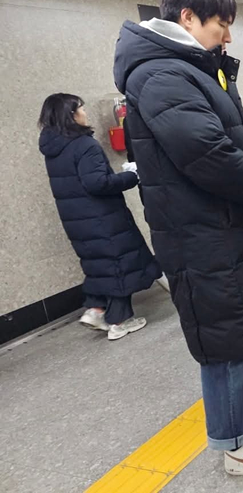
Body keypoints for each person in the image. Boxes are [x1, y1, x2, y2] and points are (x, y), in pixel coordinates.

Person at [114, 0, 243, 479]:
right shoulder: (162, 75)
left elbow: (231, 145)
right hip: (201, 232)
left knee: (235, 328)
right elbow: (210, 154)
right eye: (222, 24)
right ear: (187, 17)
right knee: (226, 336)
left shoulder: (185, 68)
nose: (228, 35)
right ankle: (238, 447)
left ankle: (239, 417)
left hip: (218, 222)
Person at [38, 93, 162, 340]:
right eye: (81, 109)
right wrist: (132, 176)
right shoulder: (85, 145)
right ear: (71, 115)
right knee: (120, 264)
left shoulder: (54, 149)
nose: (85, 113)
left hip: (76, 220)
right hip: (103, 217)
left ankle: (95, 309)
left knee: (99, 264)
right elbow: (97, 183)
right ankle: (119, 322)